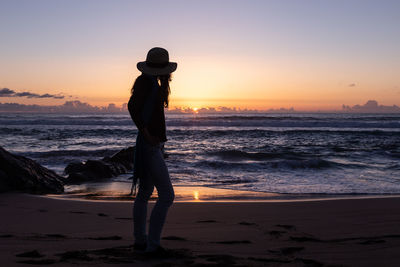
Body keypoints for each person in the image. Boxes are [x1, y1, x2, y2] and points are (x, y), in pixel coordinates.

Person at [128, 47, 177, 254]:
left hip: (152, 144)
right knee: (166, 195)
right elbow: (133, 107)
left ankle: (141, 240)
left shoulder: (152, 83)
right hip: (149, 145)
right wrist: (147, 134)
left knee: (145, 193)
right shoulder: (145, 82)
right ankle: (152, 245)